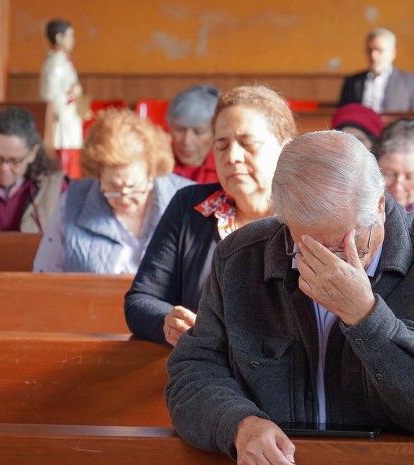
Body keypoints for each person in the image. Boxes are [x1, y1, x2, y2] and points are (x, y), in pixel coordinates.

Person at [165, 130, 414, 465]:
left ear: (379, 207)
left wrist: (366, 316)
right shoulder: (240, 256)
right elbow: (193, 373)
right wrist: (239, 424)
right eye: (306, 247)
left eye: (342, 246)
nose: (328, 263)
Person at [125, 85, 296, 346]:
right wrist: (169, 323)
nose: (232, 156)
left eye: (248, 144)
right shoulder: (189, 207)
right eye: (222, 145)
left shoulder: (309, 216)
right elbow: (140, 300)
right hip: (202, 365)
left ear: (286, 148)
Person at [33, 108, 189, 273]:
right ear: (98, 176)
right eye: (113, 186)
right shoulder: (72, 201)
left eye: (133, 187)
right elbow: (45, 271)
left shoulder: (187, 200)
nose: (124, 197)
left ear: (152, 176)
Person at [338, 28, 414, 113]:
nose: (373, 55)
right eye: (369, 50)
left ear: (393, 53)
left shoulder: (409, 81)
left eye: (379, 50)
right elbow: (342, 114)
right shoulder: (352, 82)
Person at [40, 19, 83, 179]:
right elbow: (50, 95)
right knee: (64, 167)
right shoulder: (55, 64)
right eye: (70, 36)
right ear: (59, 37)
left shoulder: (64, 61)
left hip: (69, 119)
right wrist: (72, 94)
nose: (73, 40)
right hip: (61, 122)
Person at [167, 84, 221, 184]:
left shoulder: (226, 169)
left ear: (216, 132)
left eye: (198, 132)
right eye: (180, 129)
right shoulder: (157, 166)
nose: (187, 141)